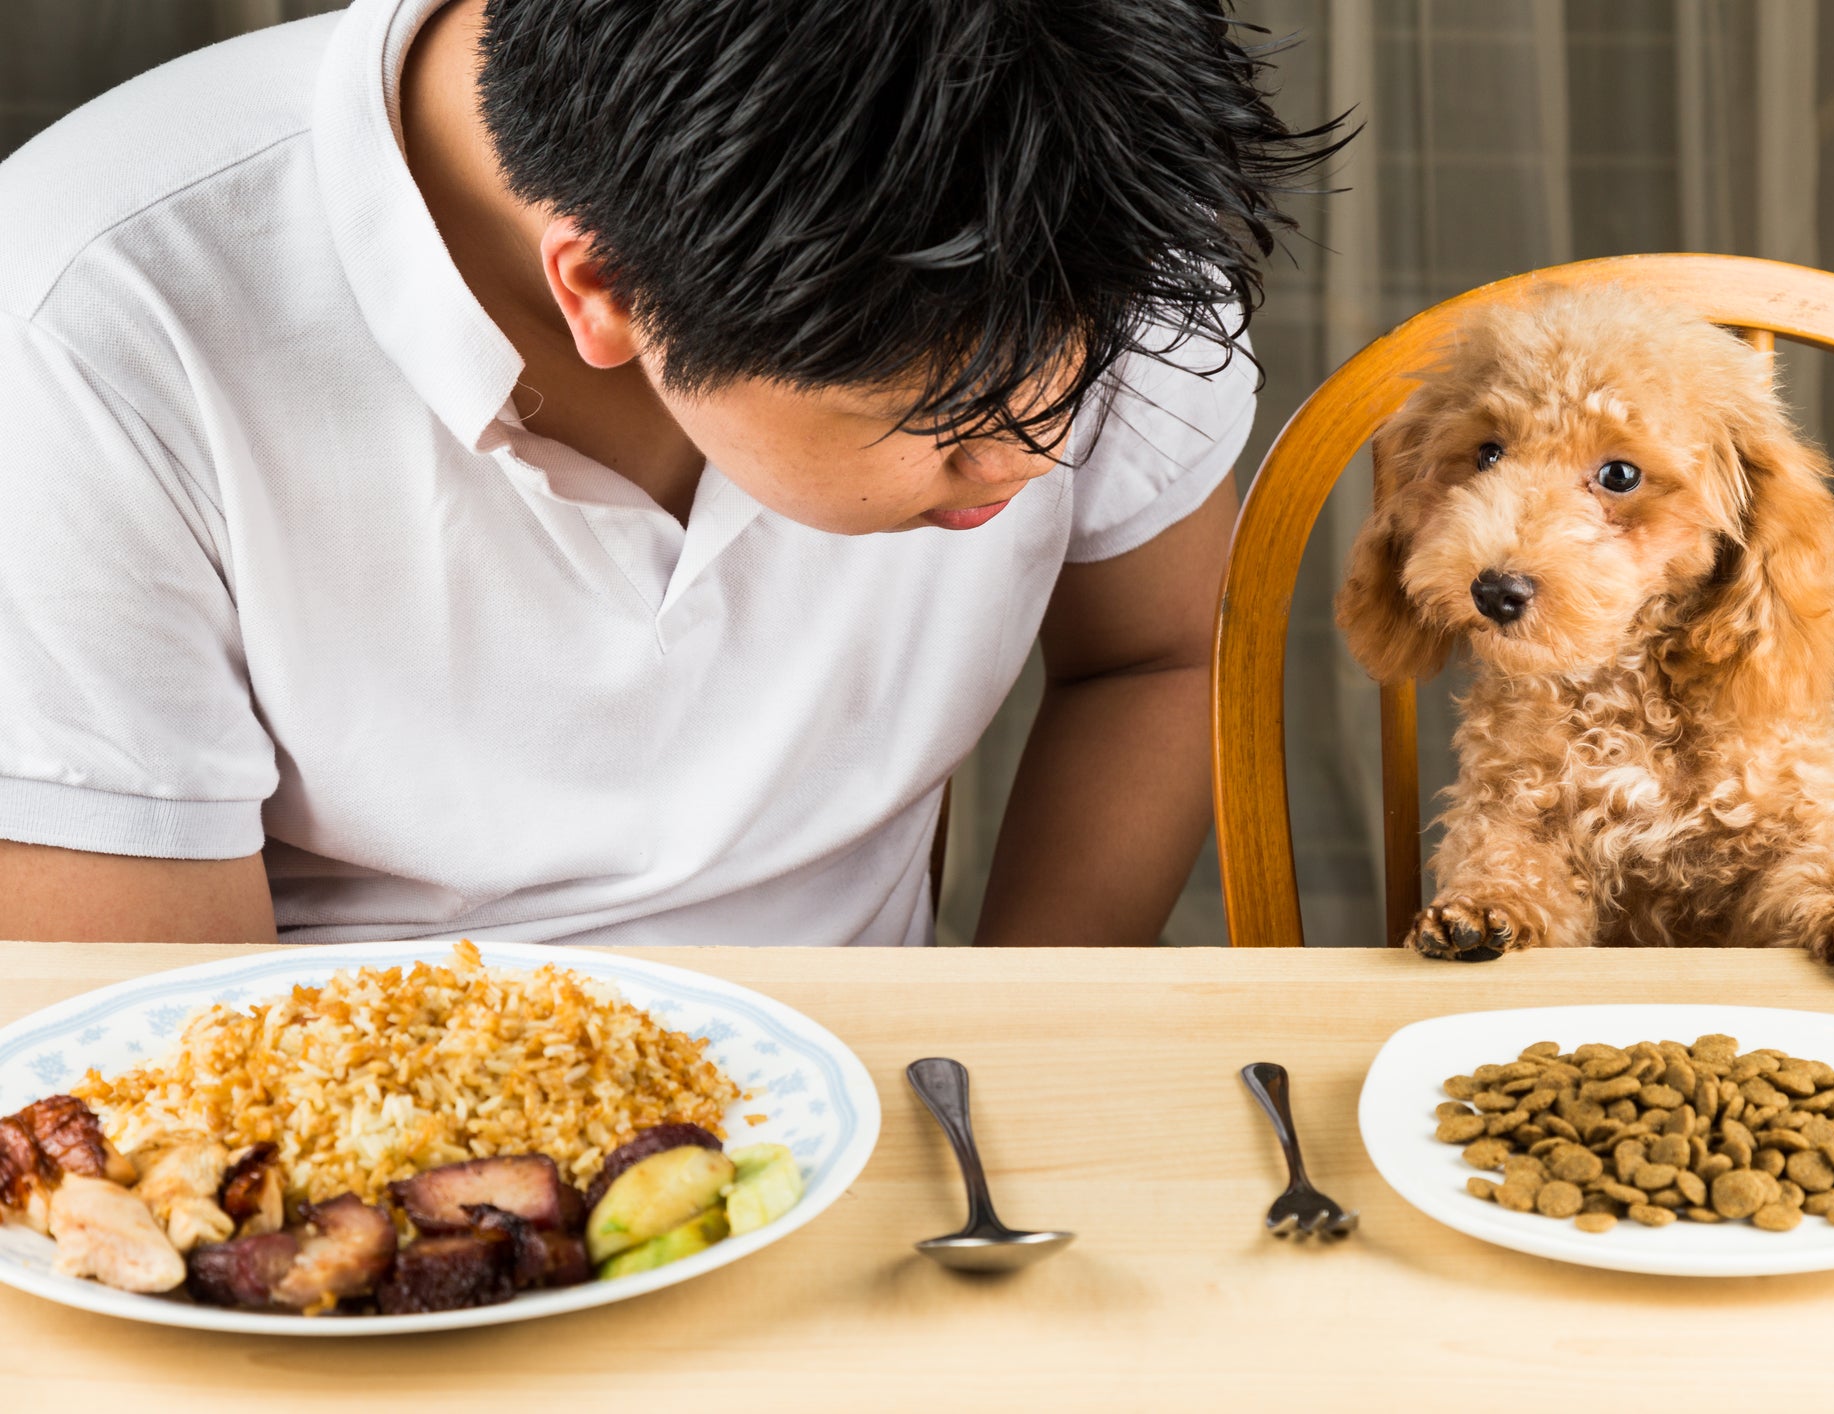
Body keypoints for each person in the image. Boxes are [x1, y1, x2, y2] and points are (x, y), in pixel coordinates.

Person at [0, 0, 1341, 948]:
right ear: (601, 288)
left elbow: (1152, 656)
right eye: (944, 419)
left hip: (882, 1106)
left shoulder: (1087, 188)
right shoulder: (85, 333)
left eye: (1084, 364)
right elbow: (159, 1047)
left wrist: (1008, 1054)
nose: (1043, 450)